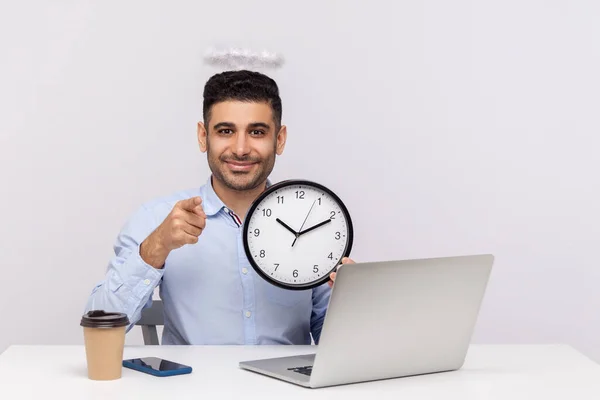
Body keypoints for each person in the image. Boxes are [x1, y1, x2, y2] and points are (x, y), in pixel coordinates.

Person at [84, 69, 354, 345]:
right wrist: (156, 247)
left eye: (257, 132)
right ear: (203, 136)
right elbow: (98, 327)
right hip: (191, 386)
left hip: (285, 387)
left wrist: (351, 303)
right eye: (225, 131)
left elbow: (335, 343)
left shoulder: (313, 224)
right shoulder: (156, 219)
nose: (240, 148)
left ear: (279, 139)